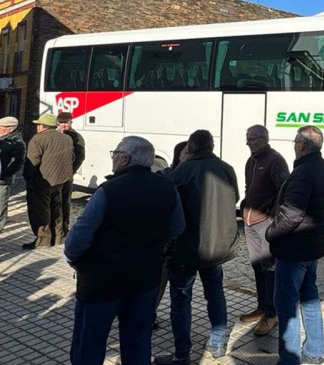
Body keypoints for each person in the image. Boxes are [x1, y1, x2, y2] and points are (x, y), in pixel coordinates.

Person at [64, 136, 183, 365]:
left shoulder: (108, 190)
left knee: (89, 344)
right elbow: (177, 228)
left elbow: (76, 240)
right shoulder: (168, 189)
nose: (113, 158)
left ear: (125, 159)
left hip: (102, 283)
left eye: (115, 154)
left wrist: (74, 259)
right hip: (145, 279)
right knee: (138, 342)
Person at [155, 130, 239, 364]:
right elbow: (235, 199)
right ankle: (219, 343)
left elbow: (171, 209)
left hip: (186, 249)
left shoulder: (182, 171)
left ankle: (183, 354)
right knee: (215, 293)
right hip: (217, 248)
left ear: (191, 147)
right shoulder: (226, 168)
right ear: (211, 146)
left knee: (181, 300)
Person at [267, 125, 324, 365]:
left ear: (301, 146)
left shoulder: (304, 173)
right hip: (312, 249)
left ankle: (290, 359)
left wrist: (270, 233)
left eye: (295, 142)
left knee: (286, 306)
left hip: (293, 251)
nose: (294, 146)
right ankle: (315, 351)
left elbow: (291, 216)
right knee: (309, 299)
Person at [237, 124, 289, 335]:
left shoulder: (276, 160)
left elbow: (283, 192)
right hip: (251, 221)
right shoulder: (252, 161)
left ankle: (271, 314)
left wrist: (270, 215)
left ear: (263, 138)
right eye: (247, 139)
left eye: (251, 139)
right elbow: (250, 188)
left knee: (269, 269)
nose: (248, 143)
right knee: (257, 266)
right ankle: (262, 306)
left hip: (266, 223)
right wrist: (245, 206)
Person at [23, 112, 74, 249]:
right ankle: (57, 237)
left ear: (42, 126)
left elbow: (32, 161)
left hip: (42, 180)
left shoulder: (38, 139)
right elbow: (73, 158)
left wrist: (27, 177)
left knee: (40, 211)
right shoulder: (66, 138)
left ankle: (43, 240)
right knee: (56, 208)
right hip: (60, 180)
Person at [56, 111, 85, 238]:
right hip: (53, 175)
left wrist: (71, 171)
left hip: (66, 175)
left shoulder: (76, 137)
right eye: (61, 123)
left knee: (64, 202)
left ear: (70, 123)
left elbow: (80, 156)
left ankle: (64, 228)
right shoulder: (53, 135)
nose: (63, 126)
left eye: (66, 123)